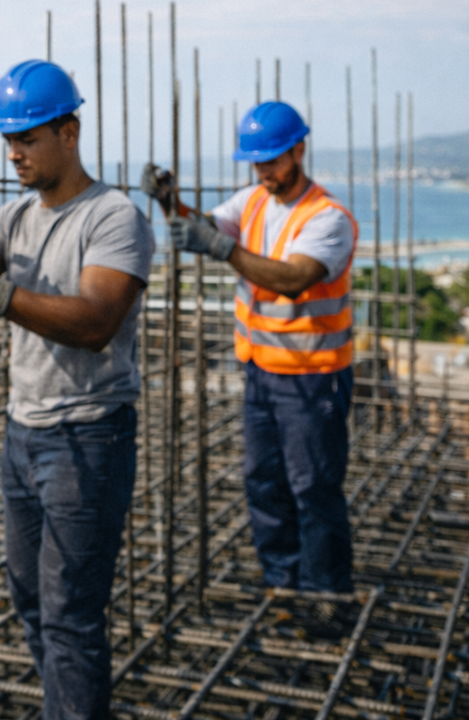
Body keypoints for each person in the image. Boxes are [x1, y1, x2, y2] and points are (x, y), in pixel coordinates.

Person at [0, 60, 153, 720]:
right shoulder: (12, 215)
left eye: (27, 138)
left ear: (69, 132)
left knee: (70, 612)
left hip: (88, 434)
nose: (14, 152)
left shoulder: (112, 217)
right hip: (23, 432)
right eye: (7, 141)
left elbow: (95, 322)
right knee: (30, 599)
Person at [143, 100, 357, 621]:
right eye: (257, 162)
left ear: (299, 151)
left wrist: (218, 248)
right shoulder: (254, 200)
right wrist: (171, 203)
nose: (264, 171)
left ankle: (325, 596)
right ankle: (282, 588)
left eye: (273, 160)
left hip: (313, 380)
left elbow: (292, 277)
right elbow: (201, 226)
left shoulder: (328, 218)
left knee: (314, 490)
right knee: (263, 480)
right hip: (260, 372)